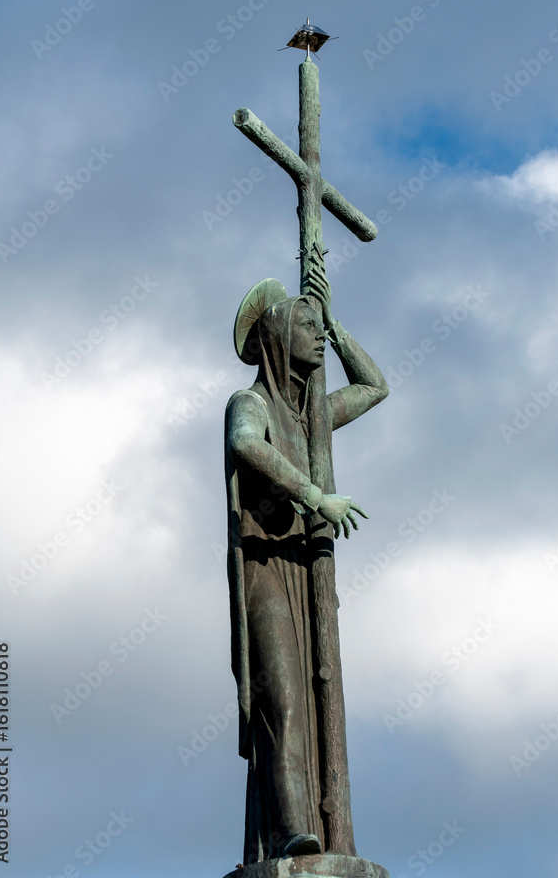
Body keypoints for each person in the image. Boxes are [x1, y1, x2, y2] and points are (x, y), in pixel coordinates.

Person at [224, 256, 388, 863]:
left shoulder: (311, 419)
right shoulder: (250, 403)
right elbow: (245, 444)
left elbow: (374, 387)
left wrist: (336, 324)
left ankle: (329, 835)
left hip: (305, 567)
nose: (316, 336)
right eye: (306, 325)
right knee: (285, 702)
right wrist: (315, 495)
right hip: (267, 570)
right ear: (274, 336)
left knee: (321, 709)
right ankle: (291, 832)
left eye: (319, 329)